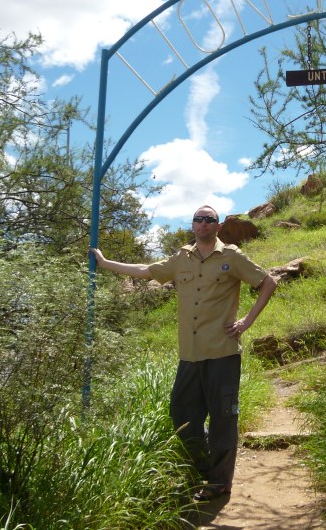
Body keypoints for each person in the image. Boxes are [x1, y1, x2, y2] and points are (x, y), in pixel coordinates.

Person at [89, 205, 278, 502]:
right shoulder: (181, 258)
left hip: (222, 351)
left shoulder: (231, 256)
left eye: (209, 220)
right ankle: (205, 467)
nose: (203, 223)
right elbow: (146, 270)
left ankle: (219, 482)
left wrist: (247, 321)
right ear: (192, 225)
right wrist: (105, 263)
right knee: (181, 414)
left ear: (218, 226)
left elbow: (268, 282)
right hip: (190, 354)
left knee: (223, 418)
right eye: (198, 219)